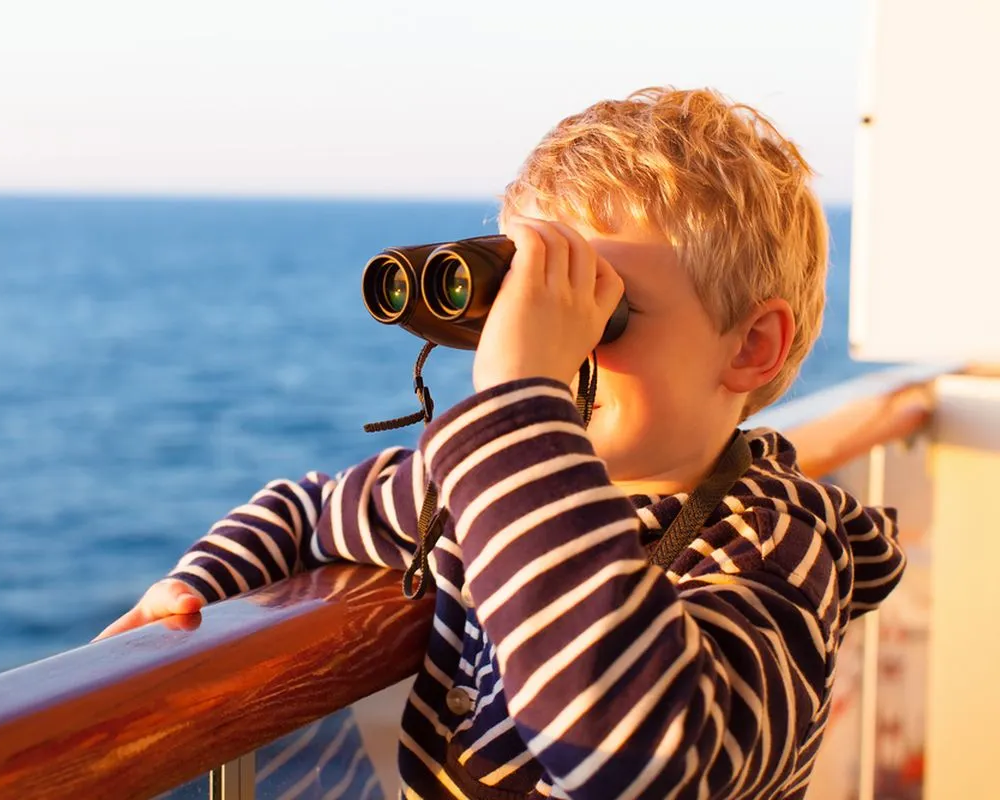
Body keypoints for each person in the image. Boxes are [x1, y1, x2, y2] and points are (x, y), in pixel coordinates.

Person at [96, 86, 905, 799]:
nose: (554, 348)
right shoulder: (476, 487)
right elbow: (305, 509)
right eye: (535, 305)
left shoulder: (776, 553)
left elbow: (641, 756)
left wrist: (522, 403)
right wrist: (199, 587)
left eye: (600, 310)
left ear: (749, 347)